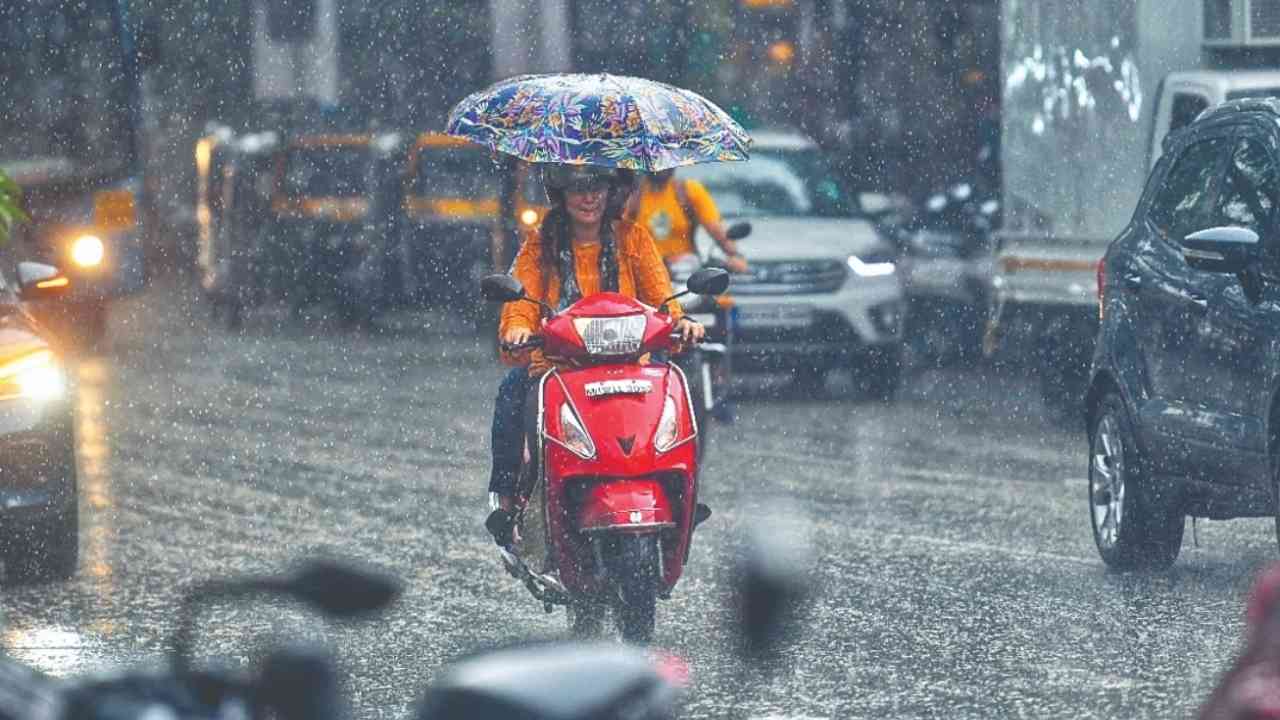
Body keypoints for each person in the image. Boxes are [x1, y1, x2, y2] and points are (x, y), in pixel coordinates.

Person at [485, 164, 704, 544]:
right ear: (561, 194)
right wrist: (518, 328)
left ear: (611, 191)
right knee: (511, 393)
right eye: (578, 188)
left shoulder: (633, 238)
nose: (589, 198)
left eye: (597, 187)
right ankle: (508, 504)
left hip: (631, 367)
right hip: (556, 369)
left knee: (682, 389)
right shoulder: (540, 245)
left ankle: (682, 491)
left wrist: (682, 323)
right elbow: (521, 303)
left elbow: (662, 302)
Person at [626, 169, 748, 274]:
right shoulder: (632, 195)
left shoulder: (689, 191)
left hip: (684, 275)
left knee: (720, 300)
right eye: (655, 158)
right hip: (644, 273)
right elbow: (619, 234)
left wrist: (735, 256)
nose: (661, 166)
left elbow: (717, 230)